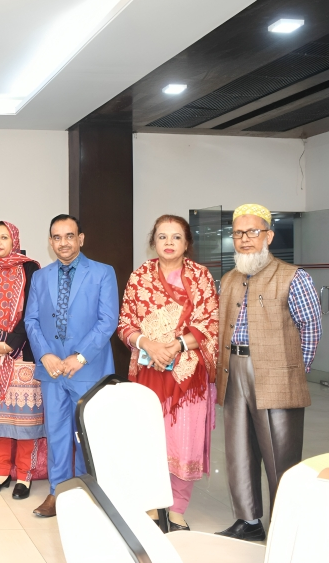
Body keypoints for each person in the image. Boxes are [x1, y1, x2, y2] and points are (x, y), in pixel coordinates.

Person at [215, 204, 321, 542]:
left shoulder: (294, 276)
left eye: (252, 232)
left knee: (280, 455)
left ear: (269, 236)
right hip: (235, 371)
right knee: (239, 451)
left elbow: (311, 327)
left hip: (278, 375)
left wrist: (295, 372)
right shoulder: (229, 279)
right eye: (238, 233)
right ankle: (248, 521)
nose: (245, 239)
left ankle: (284, 526)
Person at [117, 215, 219, 531]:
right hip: (149, 371)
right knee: (149, 440)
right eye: (162, 237)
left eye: (176, 237)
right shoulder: (140, 276)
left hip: (188, 375)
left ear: (187, 243)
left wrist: (176, 345)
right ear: (154, 242)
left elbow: (210, 324)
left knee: (184, 441)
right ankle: (150, 506)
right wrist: (148, 343)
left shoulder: (200, 277)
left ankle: (176, 510)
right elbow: (124, 324)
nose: (169, 243)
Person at [24, 214, 118, 518]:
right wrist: (45, 355)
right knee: (57, 434)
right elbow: (31, 320)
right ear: (50, 242)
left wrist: (80, 356)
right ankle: (58, 492)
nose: (63, 242)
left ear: (81, 238)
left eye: (69, 236)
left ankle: (87, 494)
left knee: (87, 435)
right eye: (57, 237)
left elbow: (108, 320)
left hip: (87, 369)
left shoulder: (103, 272)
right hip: (52, 370)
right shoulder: (41, 276)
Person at [0, 221, 43, 500]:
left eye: (4, 237)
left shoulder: (30, 269)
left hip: (21, 353)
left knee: (25, 419)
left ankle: (24, 476)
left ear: (14, 241)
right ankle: (1, 472)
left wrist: (11, 343)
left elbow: (34, 312)